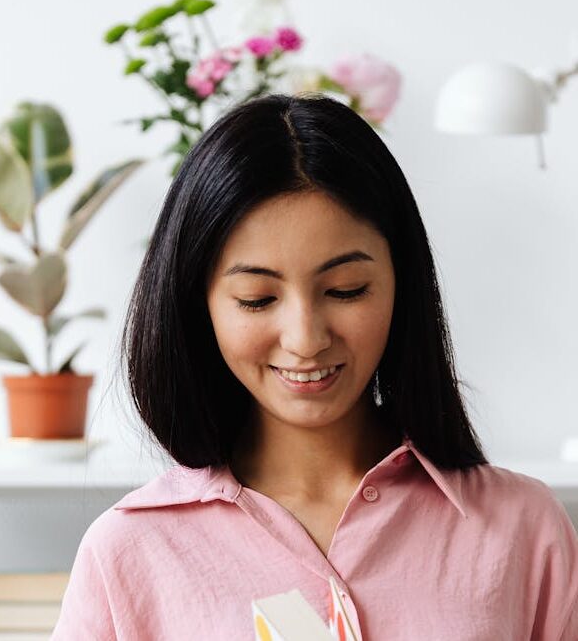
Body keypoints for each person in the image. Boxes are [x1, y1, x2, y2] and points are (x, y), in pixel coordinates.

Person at [51, 93, 578, 640]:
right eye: (257, 298)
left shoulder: (524, 531)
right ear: (196, 304)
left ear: (403, 283)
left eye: (346, 290)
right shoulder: (128, 554)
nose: (305, 340)